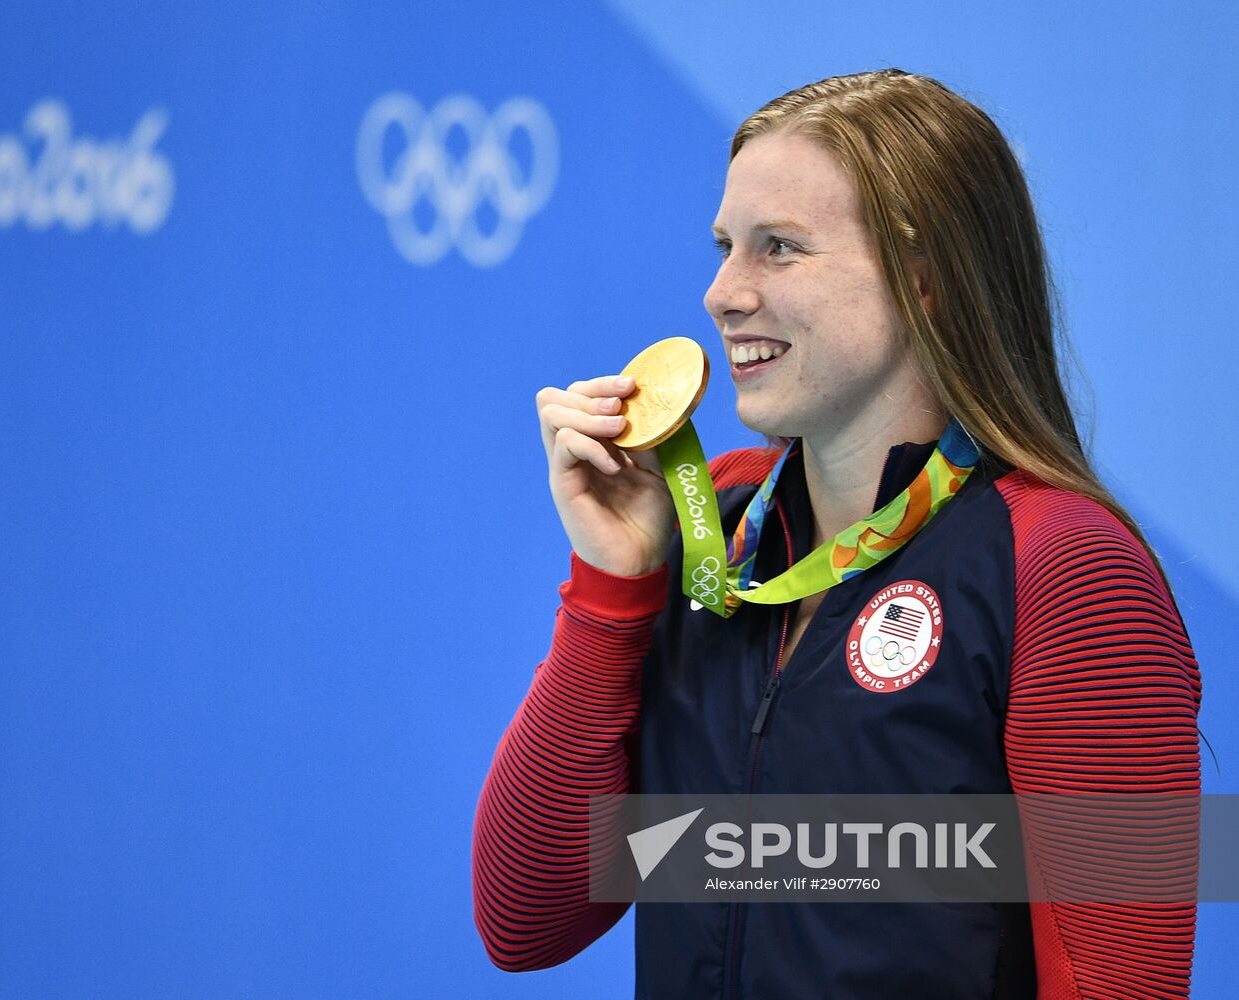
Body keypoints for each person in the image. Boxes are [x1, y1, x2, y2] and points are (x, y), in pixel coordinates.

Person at [472, 69, 1202, 998]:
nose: (721, 294)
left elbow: (1119, 984)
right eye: (725, 246)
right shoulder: (712, 531)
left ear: (925, 280)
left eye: (779, 248)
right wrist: (612, 589)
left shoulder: (1065, 567)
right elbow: (526, 917)